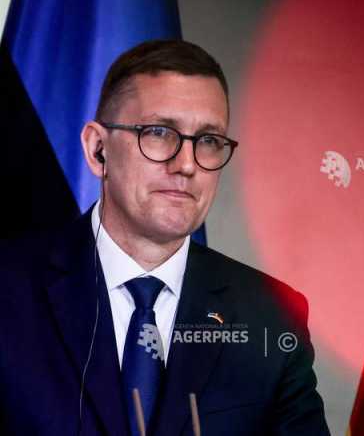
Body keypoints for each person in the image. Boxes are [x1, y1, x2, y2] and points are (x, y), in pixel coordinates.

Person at [0, 40, 330, 435]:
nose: (187, 164)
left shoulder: (271, 318)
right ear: (98, 149)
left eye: (209, 141)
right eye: (159, 132)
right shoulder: (7, 287)